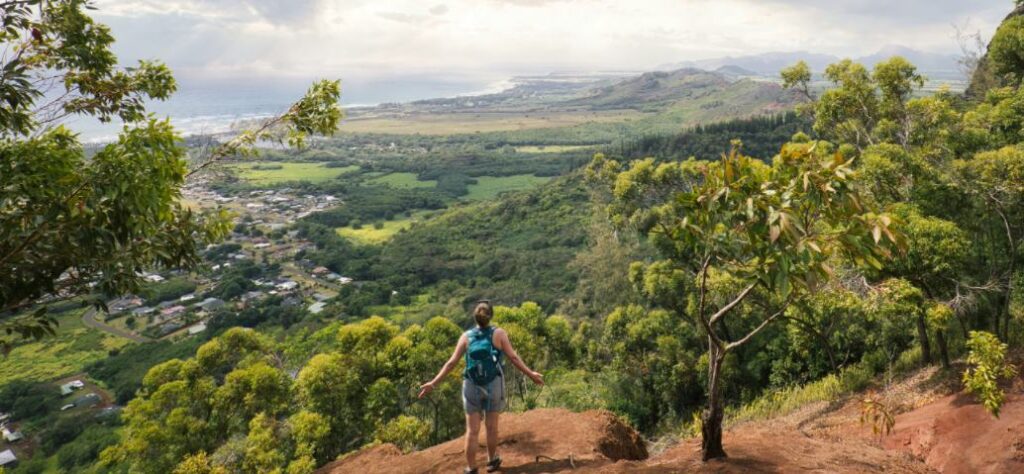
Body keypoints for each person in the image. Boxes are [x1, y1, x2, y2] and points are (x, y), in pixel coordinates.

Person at [418, 300, 544, 474]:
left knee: (472, 431)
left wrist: (433, 383)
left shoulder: (466, 337)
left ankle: (471, 468)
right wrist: (531, 375)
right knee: (491, 427)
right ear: (490, 316)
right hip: (493, 384)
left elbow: (451, 362)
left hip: (471, 385)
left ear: (475, 317)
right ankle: (492, 461)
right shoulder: (498, 334)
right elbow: (513, 358)